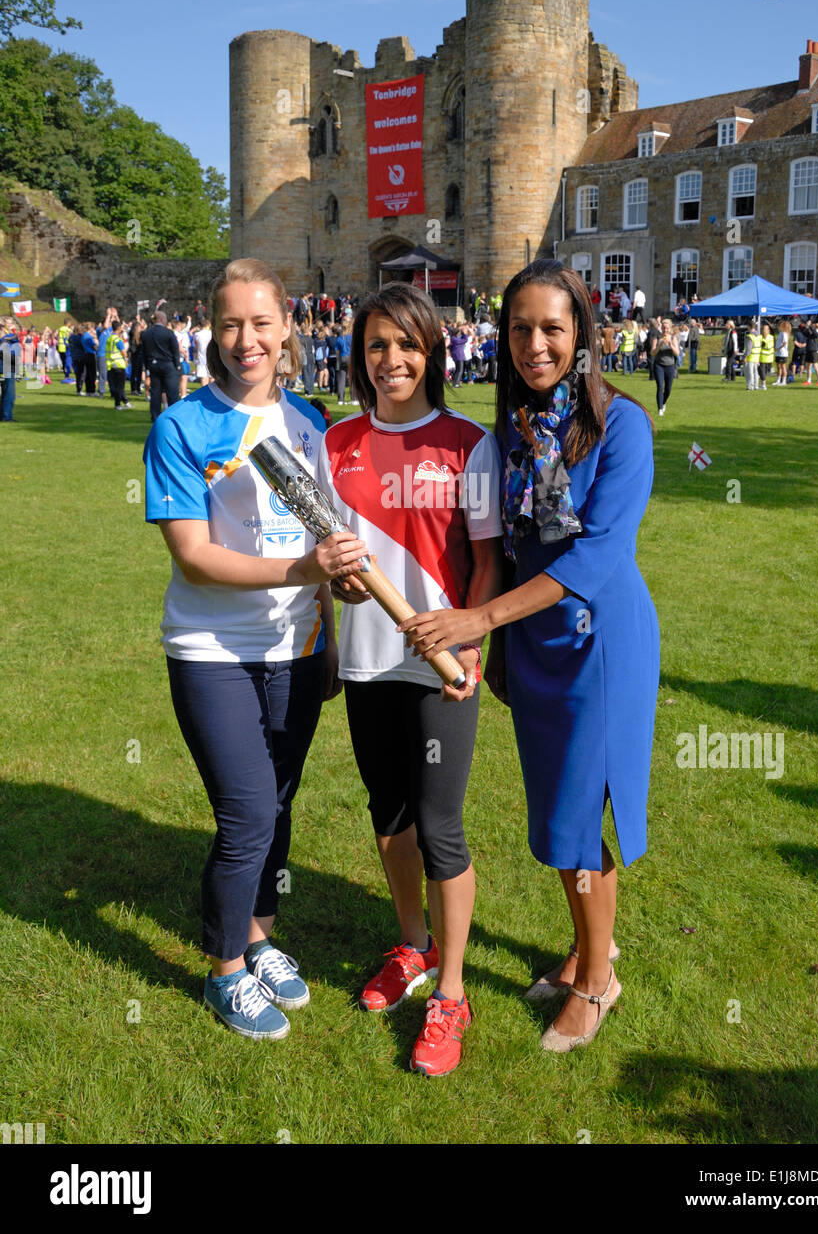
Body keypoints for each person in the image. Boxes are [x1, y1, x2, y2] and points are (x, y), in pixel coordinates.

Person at [398, 260, 658, 1053]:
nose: (535, 344)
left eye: (553, 328)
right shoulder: (513, 429)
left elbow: (592, 558)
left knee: (583, 814)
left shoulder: (622, 425)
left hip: (599, 645)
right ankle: (588, 943)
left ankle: (597, 982)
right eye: (520, 329)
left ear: (582, 333)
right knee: (556, 814)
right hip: (534, 644)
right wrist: (500, 640)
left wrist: (478, 619)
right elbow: (511, 546)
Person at [143, 257, 369, 1040]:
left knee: (277, 806)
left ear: (286, 328)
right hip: (211, 649)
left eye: (261, 322)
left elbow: (329, 543)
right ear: (214, 330)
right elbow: (195, 556)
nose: (247, 339)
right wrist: (301, 568)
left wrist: (331, 622)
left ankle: (259, 934)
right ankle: (224, 971)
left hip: (299, 650)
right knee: (243, 813)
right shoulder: (182, 425)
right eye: (231, 323)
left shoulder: (311, 424)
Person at [318, 282, 502, 1076]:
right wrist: (337, 585)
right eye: (376, 346)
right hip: (366, 657)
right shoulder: (334, 443)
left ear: (432, 351)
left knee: (440, 825)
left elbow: (490, 557)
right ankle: (413, 946)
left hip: (439, 667)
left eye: (407, 344)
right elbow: (329, 558)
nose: (391, 360)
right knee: (388, 814)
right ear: (360, 357)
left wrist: (470, 642)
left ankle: (452, 991)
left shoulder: (468, 442)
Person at [141, 310, 181, 422]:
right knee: (172, 392)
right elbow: (175, 349)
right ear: (163, 320)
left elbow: (143, 352)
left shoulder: (146, 334)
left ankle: (155, 415)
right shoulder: (168, 333)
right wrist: (177, 364)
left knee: (156, 392)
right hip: (168, 365)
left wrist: (147, 366)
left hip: (153, 365)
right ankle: (173, 415)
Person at [652, 321, 678, 414]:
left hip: (670, 366)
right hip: (659, 365)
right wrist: (660, 345)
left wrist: (670, 344)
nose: (665, 330)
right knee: (660, 387)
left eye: (667, 328)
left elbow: (677, 353)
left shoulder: (673, 338)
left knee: (668, 389)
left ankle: (663, 402)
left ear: (670, 328)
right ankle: (659, 409)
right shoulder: (657, 338)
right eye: (663, 328)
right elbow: (652, 353)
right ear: (661, 328)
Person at [106, 321, 131, 409]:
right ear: (119, 328)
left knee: (116, 386)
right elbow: (124, 352)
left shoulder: (109, 338)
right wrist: (126, 359)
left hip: (110, 364)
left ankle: (125, 402)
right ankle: (118, 404)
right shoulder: (118, 340)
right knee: (120, 387)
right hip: (119, 365)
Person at [0, 317, 20, 421]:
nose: (10, 324)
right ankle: (6, 416)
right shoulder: (5, 334)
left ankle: (3, 415)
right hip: (6, 364)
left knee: (5, 393)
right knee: (9, 394)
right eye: (7, 323)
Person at [803, 321, 818, 386]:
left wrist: (811, 327)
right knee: (808, 365)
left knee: (815, 365)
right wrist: (806, 326)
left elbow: (816, 335)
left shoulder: (817, 331)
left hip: (814, 350)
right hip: (808, 349)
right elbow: (804, 333)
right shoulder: (811, 332)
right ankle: (808, 380)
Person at [744, 323, 761, 390]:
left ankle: (750, 386)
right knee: (756, 372)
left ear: (749, 327)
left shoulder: (750, 336)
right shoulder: (759, 336)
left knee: (750, 372)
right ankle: (756, 386)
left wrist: (745, 357)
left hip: (751, 356)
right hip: (757, 356)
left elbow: (748, 348)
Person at [758, 323, 775, 390]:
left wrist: (763, 344)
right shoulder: (760, 337)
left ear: (768, 330)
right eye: (763, 329)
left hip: (767, 358)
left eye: (765, 329)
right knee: (761, 371)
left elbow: (769, 346)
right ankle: (762, 384)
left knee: (763, 371)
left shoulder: (771, 337)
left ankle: (764, 385)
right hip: (762, 357)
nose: (764, 331)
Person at [774, 320, 791, 385]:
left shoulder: (785, 334)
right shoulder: (781, 333)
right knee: (778, 367)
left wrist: (778, 348)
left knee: (783, 367)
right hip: (778, 353)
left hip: (783, 353)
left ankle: (784, 381)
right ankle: (778, 380)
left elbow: (784, 343)